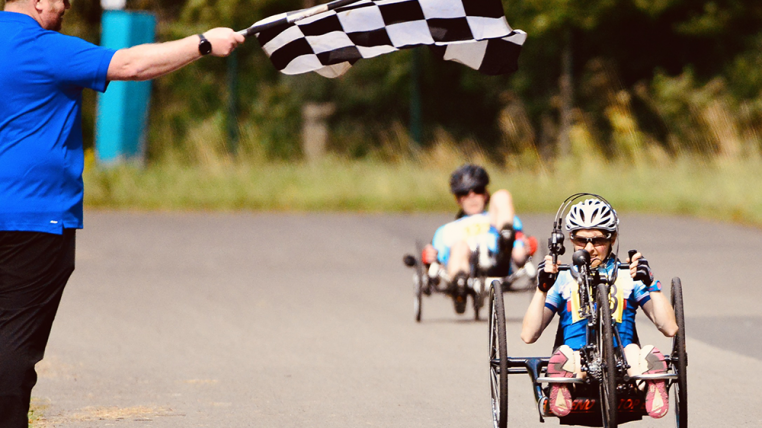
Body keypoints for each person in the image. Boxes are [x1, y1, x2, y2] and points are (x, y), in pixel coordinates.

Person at [0, 0, 244, 425]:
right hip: (34, 219)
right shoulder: (43, 46)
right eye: (63, 1)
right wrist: (204, 42)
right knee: (14, 342)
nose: (67, 7)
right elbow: (131, 64)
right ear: (39, 0)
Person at [520, 198, 678, 419]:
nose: (590, 248)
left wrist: (651, 284)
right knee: (567, 355)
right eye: (582, 240)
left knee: (634, 352)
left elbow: (670, 328)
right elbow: (528, 335)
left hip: (623, 364)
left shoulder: (628, 275)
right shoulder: (562, 278)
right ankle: (562, 383)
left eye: (598, 240)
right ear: (570, 239)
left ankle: (651, 379)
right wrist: (542, 289)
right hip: (577, 361)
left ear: (613, 238)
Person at [421, 164, 537, 314]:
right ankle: (460, 284)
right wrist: (428, 259)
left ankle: (506, 235)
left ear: (485, 194)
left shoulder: (496, 217)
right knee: (460, 246)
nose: (472, 197)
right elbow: (436, 267)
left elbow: (519, 254)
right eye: (465, 193)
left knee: (502, 195)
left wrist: (526, 247)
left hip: (499, 259)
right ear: (458, 199)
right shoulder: (446, 230)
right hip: (465, 265)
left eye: (477, 190)